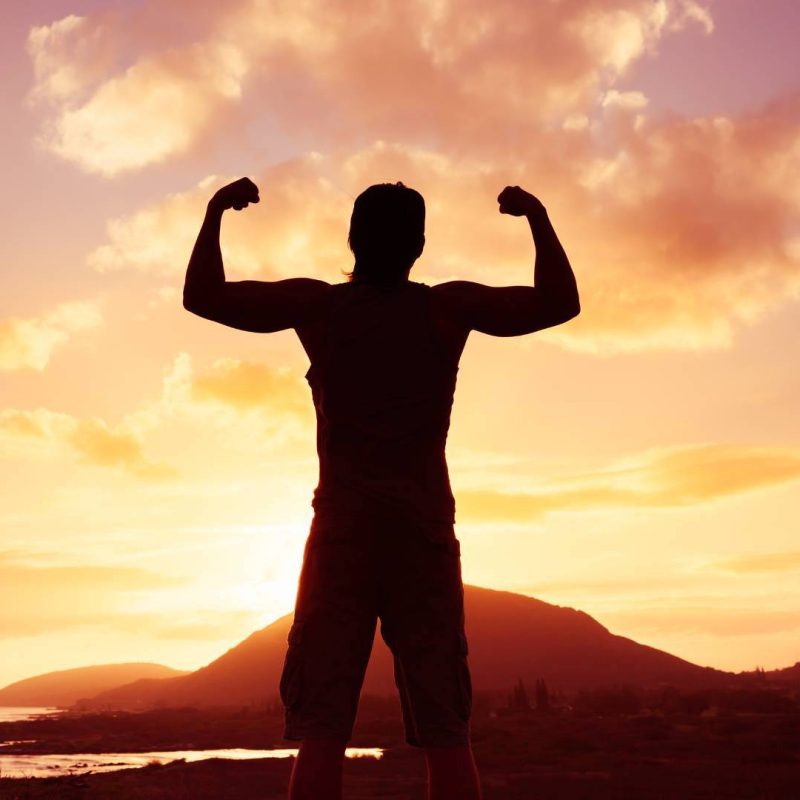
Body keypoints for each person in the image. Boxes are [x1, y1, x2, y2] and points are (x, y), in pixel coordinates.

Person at [183, 178, 579, 800]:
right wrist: (537, 216)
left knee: (322, 727)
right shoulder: (446, 308)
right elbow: (558, 303)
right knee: (446, 728)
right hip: (421, 536)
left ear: (352, 239)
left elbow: (203, 297)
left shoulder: (321, 308)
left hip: (341, 535)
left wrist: (214, 215)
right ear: (419, 245)